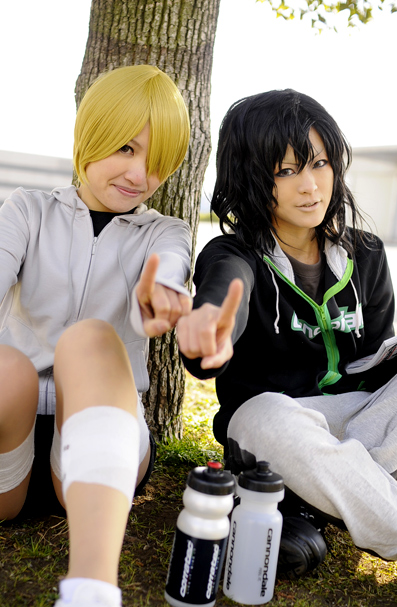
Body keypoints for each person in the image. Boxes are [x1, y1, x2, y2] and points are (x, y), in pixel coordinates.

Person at [177, 89, 397, 578]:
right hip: (279, 431)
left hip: (355, 425)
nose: (310, 186)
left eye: (319, 163)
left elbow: (377, 367)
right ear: (252, 177)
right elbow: (222, 296)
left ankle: (315, 498)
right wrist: (209, 331)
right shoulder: (233, 255)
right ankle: (355, 503)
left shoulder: (366, 254)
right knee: (263, 417)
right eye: (286, 171)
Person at [0, 65, 192, 607]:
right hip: (11, 428)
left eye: (157, 162)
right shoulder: (27, 210)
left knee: (88, 340)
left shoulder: (165, 232)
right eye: (126, 148)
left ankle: (91, 591)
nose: (140, 174)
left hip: (103, 445)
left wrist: (162, 297)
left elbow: (169, 269)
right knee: (9, 368)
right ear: (92, 134)